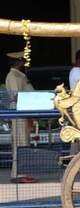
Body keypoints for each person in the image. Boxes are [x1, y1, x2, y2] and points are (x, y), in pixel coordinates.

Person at [5, 51, 36, 183]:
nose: (24, 62)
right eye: (22, 60)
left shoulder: (20, 75)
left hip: (24, 110)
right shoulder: (13, 76)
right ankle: (17, 174)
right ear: (17, 61)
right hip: (18, 111)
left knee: (25, 141)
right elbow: (16, 95)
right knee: (19, 142)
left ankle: (23, 171)